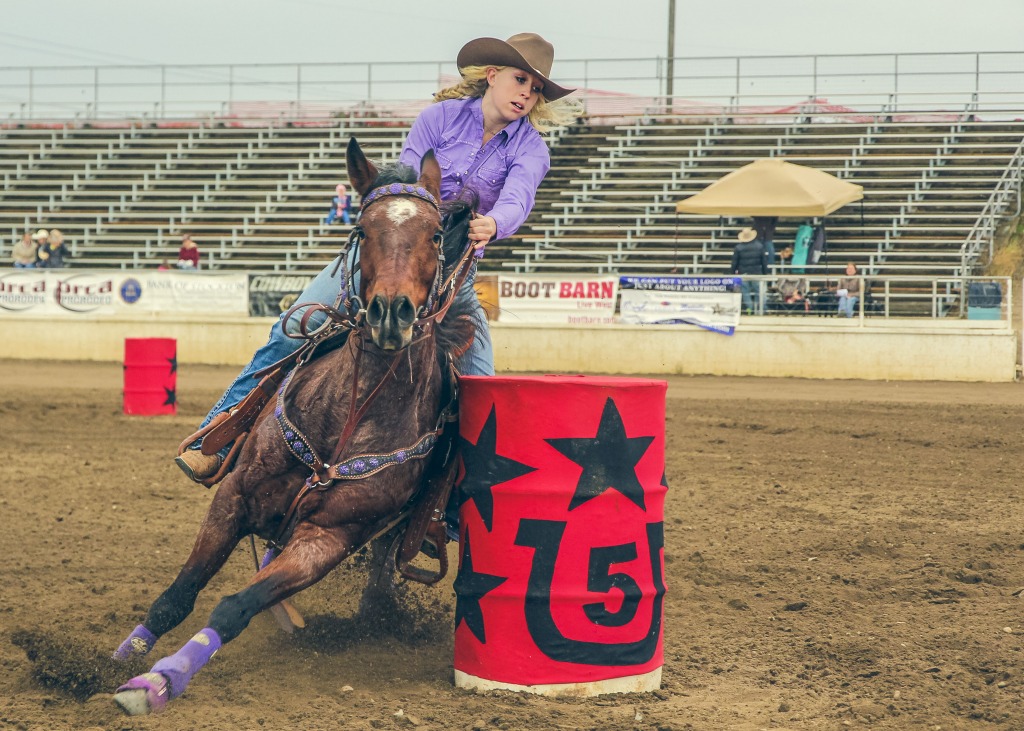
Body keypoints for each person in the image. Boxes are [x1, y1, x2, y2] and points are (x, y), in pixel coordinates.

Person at [175, 32, 580, 482]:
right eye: (520, 79)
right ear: (492, 75)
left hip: (452, 271)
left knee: (479, 381)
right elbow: (404, 178)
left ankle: (458, 501)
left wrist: (496, 222)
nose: (527, 92)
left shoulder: (531, 148)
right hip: (387, 252)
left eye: (536, 87)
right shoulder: (438, 118)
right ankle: (217, 437)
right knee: (293, 328)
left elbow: (519, 196)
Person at [730, 227, 767, 315]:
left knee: (745, 292)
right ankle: (759, 309)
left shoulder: (738, 248)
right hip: (757, 273)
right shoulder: (759, 246)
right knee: (759, 292)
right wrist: (765, 273)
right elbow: (764, 262)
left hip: (743, 273)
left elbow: (734, 262)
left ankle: (749, 308)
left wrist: (732, 272)